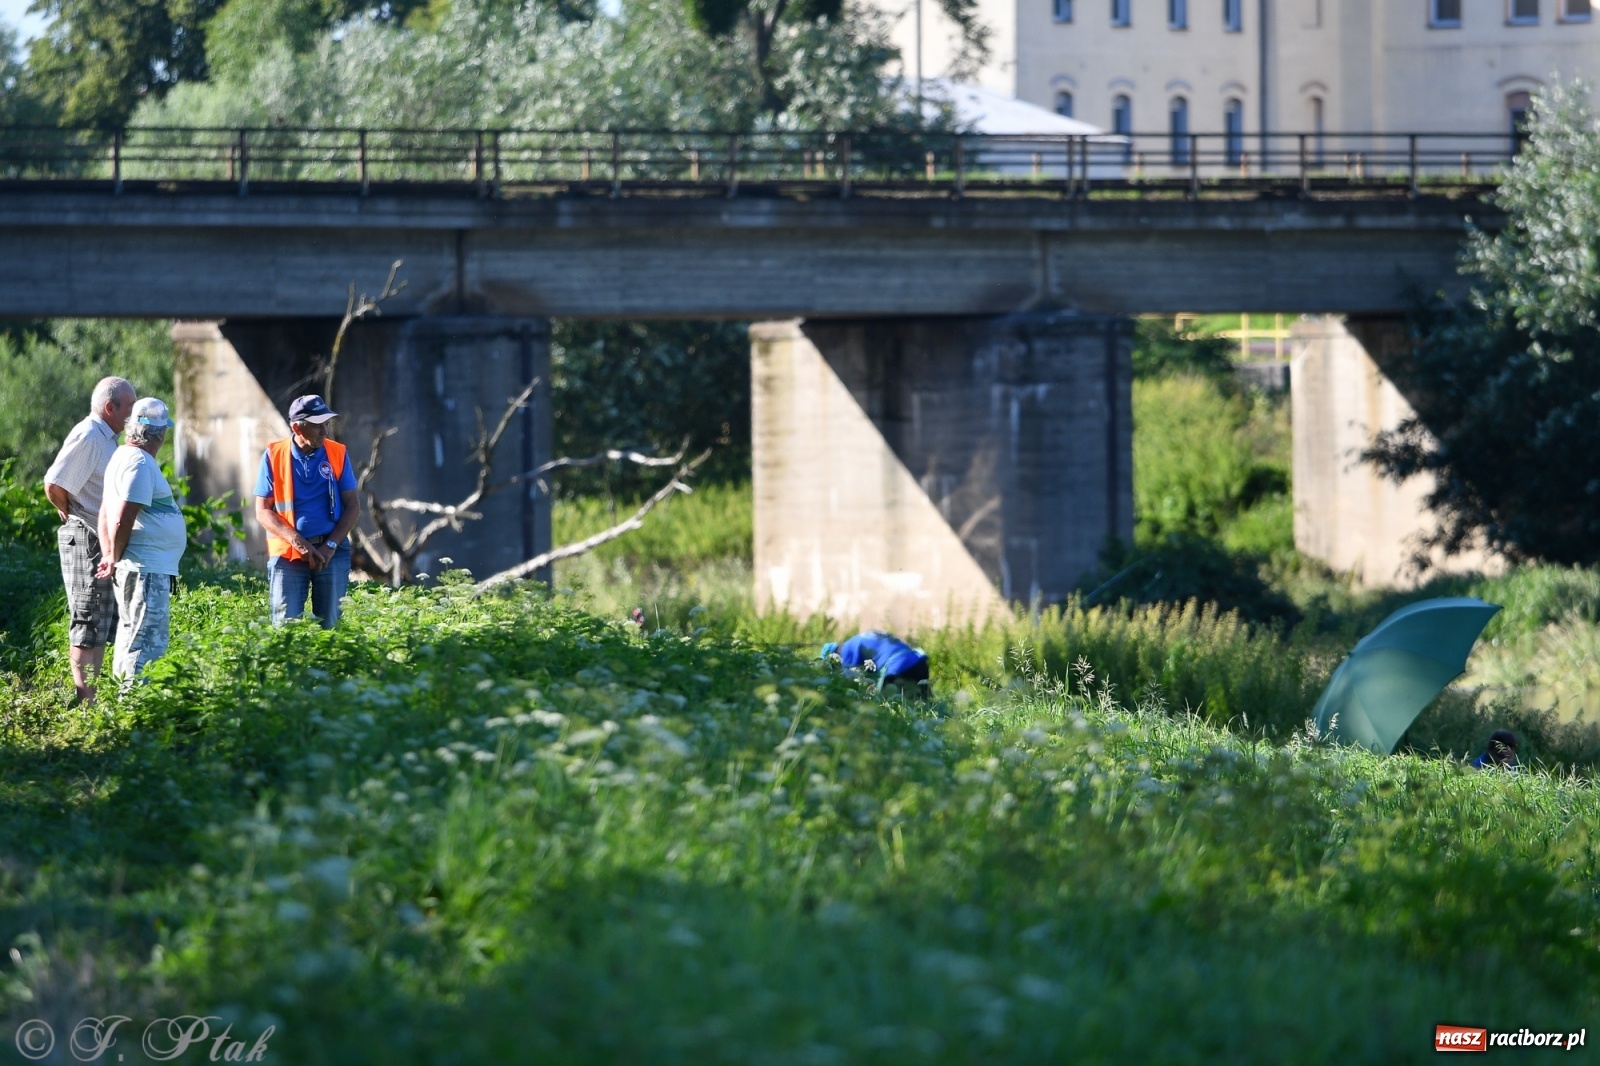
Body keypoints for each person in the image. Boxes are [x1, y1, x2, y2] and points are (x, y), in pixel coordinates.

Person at [43, 376, 135, 703]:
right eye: (129, 407)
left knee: (98, 623)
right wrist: (71, 511)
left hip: (99, 539)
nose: (134, 414)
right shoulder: (89, 435)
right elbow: (54, 484)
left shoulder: (105, 437)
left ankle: (91, 704)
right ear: (110, 407)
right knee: (87, 621)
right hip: (86, 537)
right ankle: (86, 707)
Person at [96, 397, 187, 680]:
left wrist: (110, 555)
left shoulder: (122, 456)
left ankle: (122, 696)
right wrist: (113, 556)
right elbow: (122, 517)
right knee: (146, 643)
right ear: (160, 435)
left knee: (131, 635)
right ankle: (136, 702)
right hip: (146, 569)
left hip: (140, 567)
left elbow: (105, 511)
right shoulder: (140, 463)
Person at [253, 394, 360, 629]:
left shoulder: (337, 453)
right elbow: (262, 511)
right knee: (285, 628)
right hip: (288, 554)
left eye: (326, 424)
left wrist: (329, 546)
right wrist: (299, 544)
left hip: (331, 552)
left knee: (330, 628)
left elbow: (353, 506)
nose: (325, 431)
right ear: (297, 428)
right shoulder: (273, 455)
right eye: (317, 425)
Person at [821, 631, 931, 696]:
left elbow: (849, 681)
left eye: (835, 664)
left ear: (834, 654)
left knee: (886, 704)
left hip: (899, 666)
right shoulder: (862, 637)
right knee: (922, 704)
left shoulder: (846, 649)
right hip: (919, 662)